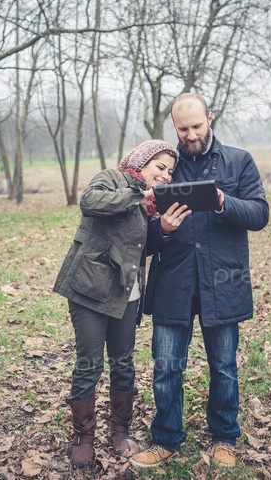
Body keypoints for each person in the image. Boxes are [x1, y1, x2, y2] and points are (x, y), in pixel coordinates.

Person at [131, 93, 270, 469]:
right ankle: (166, 440)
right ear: (173, 127)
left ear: (210, 118)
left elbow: (260, 214)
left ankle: (225, 438)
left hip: (222, 281)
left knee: (223, 367)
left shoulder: (239, 161)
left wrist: (223, 201)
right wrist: (162, 228)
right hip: (173, 283)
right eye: (183, 129)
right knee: (166, 367)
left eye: (196, 126)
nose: (190, 135)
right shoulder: (164, 169)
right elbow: (141, 239)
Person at [53, 140, 191, 469]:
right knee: (89, 363)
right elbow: (90, 202)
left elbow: (139, 247)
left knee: (123, 363)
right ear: (141, 162)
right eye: (160, 167)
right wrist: (137, 196)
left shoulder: (153, 204)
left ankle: (120, 431)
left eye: (170, 172)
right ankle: (84, 437)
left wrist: (164, 230)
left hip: (128, 292)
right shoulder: (112, 180)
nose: (165, 175)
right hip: (90, 288)